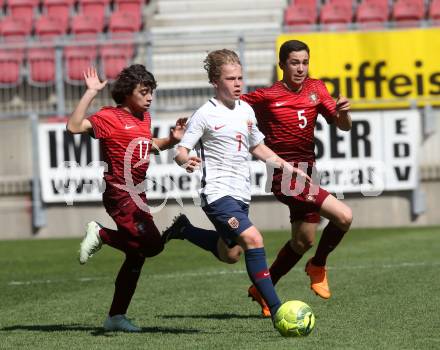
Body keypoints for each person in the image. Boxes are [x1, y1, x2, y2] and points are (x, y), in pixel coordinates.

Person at [162, 49, 310, 324]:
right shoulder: (205, 114)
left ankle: (184, 229)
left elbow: (257, 146)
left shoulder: (246, 110)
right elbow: (181, 150)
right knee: (253, 239)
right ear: (215, 82)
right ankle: (277, 310)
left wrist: (287, 166)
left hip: (241, 194)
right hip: (217, 194)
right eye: (231, 79)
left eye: (240, 78)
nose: (238, 83)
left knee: (231, 253)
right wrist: (186, 161)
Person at [66, 65, 186, 332]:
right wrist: (91, 92)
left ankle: (115, 317)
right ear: (127, 93)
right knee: (153, 245)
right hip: (120, 193)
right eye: (144, 92)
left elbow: (146, 147)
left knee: (137, 254)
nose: (150, 97)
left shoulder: (144, 117)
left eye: (151, 91)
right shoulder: (109, 117)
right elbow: (74, 127)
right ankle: (101, 234)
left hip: (139, 194)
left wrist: (170, 140)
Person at [240, 39, 353, 317]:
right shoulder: (265, 96)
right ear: (282, 65)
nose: (301, 68)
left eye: (304, 62)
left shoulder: (317, 87)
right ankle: (318, 265)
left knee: (302, 241)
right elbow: (230, 108)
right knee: (344, 216)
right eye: (294, 62)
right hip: (285, 175)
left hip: (308, 172)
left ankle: (262, 290)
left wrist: (344, 113)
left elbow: (343, 126)